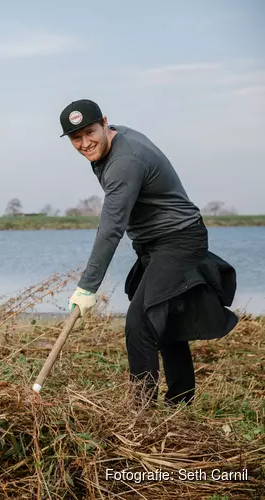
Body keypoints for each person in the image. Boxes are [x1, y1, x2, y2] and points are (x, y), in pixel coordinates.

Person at [60, 99, 238, 406]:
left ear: (105, 122)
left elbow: (111, 227)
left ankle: (139, 412)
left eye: (90, 132)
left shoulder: (125, 161)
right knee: (166, 319)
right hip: (156, 242)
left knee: (140, 321)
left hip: (178, 240)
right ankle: (180, 401)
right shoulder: (112, 144)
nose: (85, 143)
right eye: (76, 138)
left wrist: (87, 286)